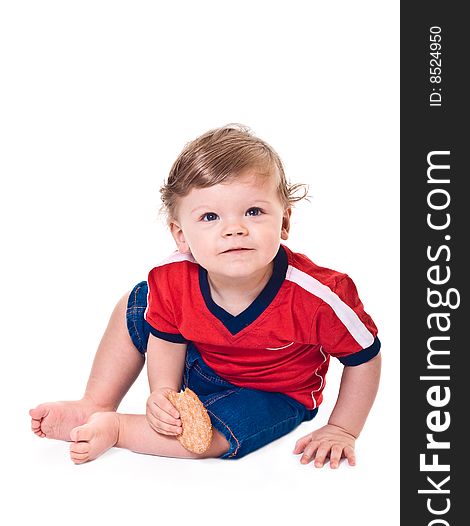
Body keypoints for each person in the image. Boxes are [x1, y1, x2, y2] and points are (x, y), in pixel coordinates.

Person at [29, 124, 381, 468]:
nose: (234, 228)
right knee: (138, 301)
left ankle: (118, 428)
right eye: (210, 216)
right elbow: (166, 338)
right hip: (197, 361)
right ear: (181, 236)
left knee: (210, 438)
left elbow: (363, 358)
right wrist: (163, 393)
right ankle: (95, 402)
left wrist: (342, 428)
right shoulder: (172, 278)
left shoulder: (319, 295)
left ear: (285, 221)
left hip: (270, 392)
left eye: (254, 212)